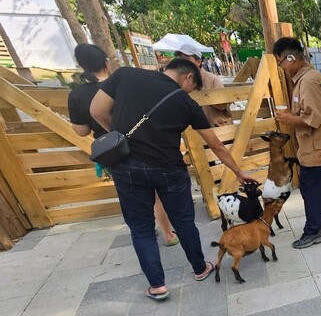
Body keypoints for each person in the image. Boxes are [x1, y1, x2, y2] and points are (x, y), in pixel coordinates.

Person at [90, 58, 253, 301]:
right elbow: (216, 145)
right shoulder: (185, 102)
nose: (191, 92)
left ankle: (157, 286)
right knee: (184, 221)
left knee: (141, 228)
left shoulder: (125, 75)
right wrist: (239, 173)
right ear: (188, 77)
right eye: (194, 87)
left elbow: (96, 110)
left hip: (127, 167)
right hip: (169, 169)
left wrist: (120, 136)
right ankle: (200, 268)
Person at [68, 44, 179, 246]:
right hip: (141, 143)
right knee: (155, 191)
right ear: (106, 63)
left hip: (111, 152)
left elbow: (81, 130)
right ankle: (168, 233)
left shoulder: (77, 94)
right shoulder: (126, 83)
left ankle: (144, 231)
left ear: (82, 66)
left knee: (129, 192)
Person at [272, 37, 321, 248]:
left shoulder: (308, 81)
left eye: (281, 62)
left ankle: (313, 231)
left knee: (311, 190)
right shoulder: (308, 78)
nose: (281, 67)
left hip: (318, 150)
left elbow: (314, 117)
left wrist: (287, 119)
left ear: (290, 58)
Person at [174, 43, 233, 127]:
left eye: (187, 59)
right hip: (192, 131)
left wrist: (202, 97)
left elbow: (223, 105)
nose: (183, 63)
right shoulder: (179, 81)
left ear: (198, 62)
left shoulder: (212, 79)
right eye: (180, 59)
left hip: (216, 129)